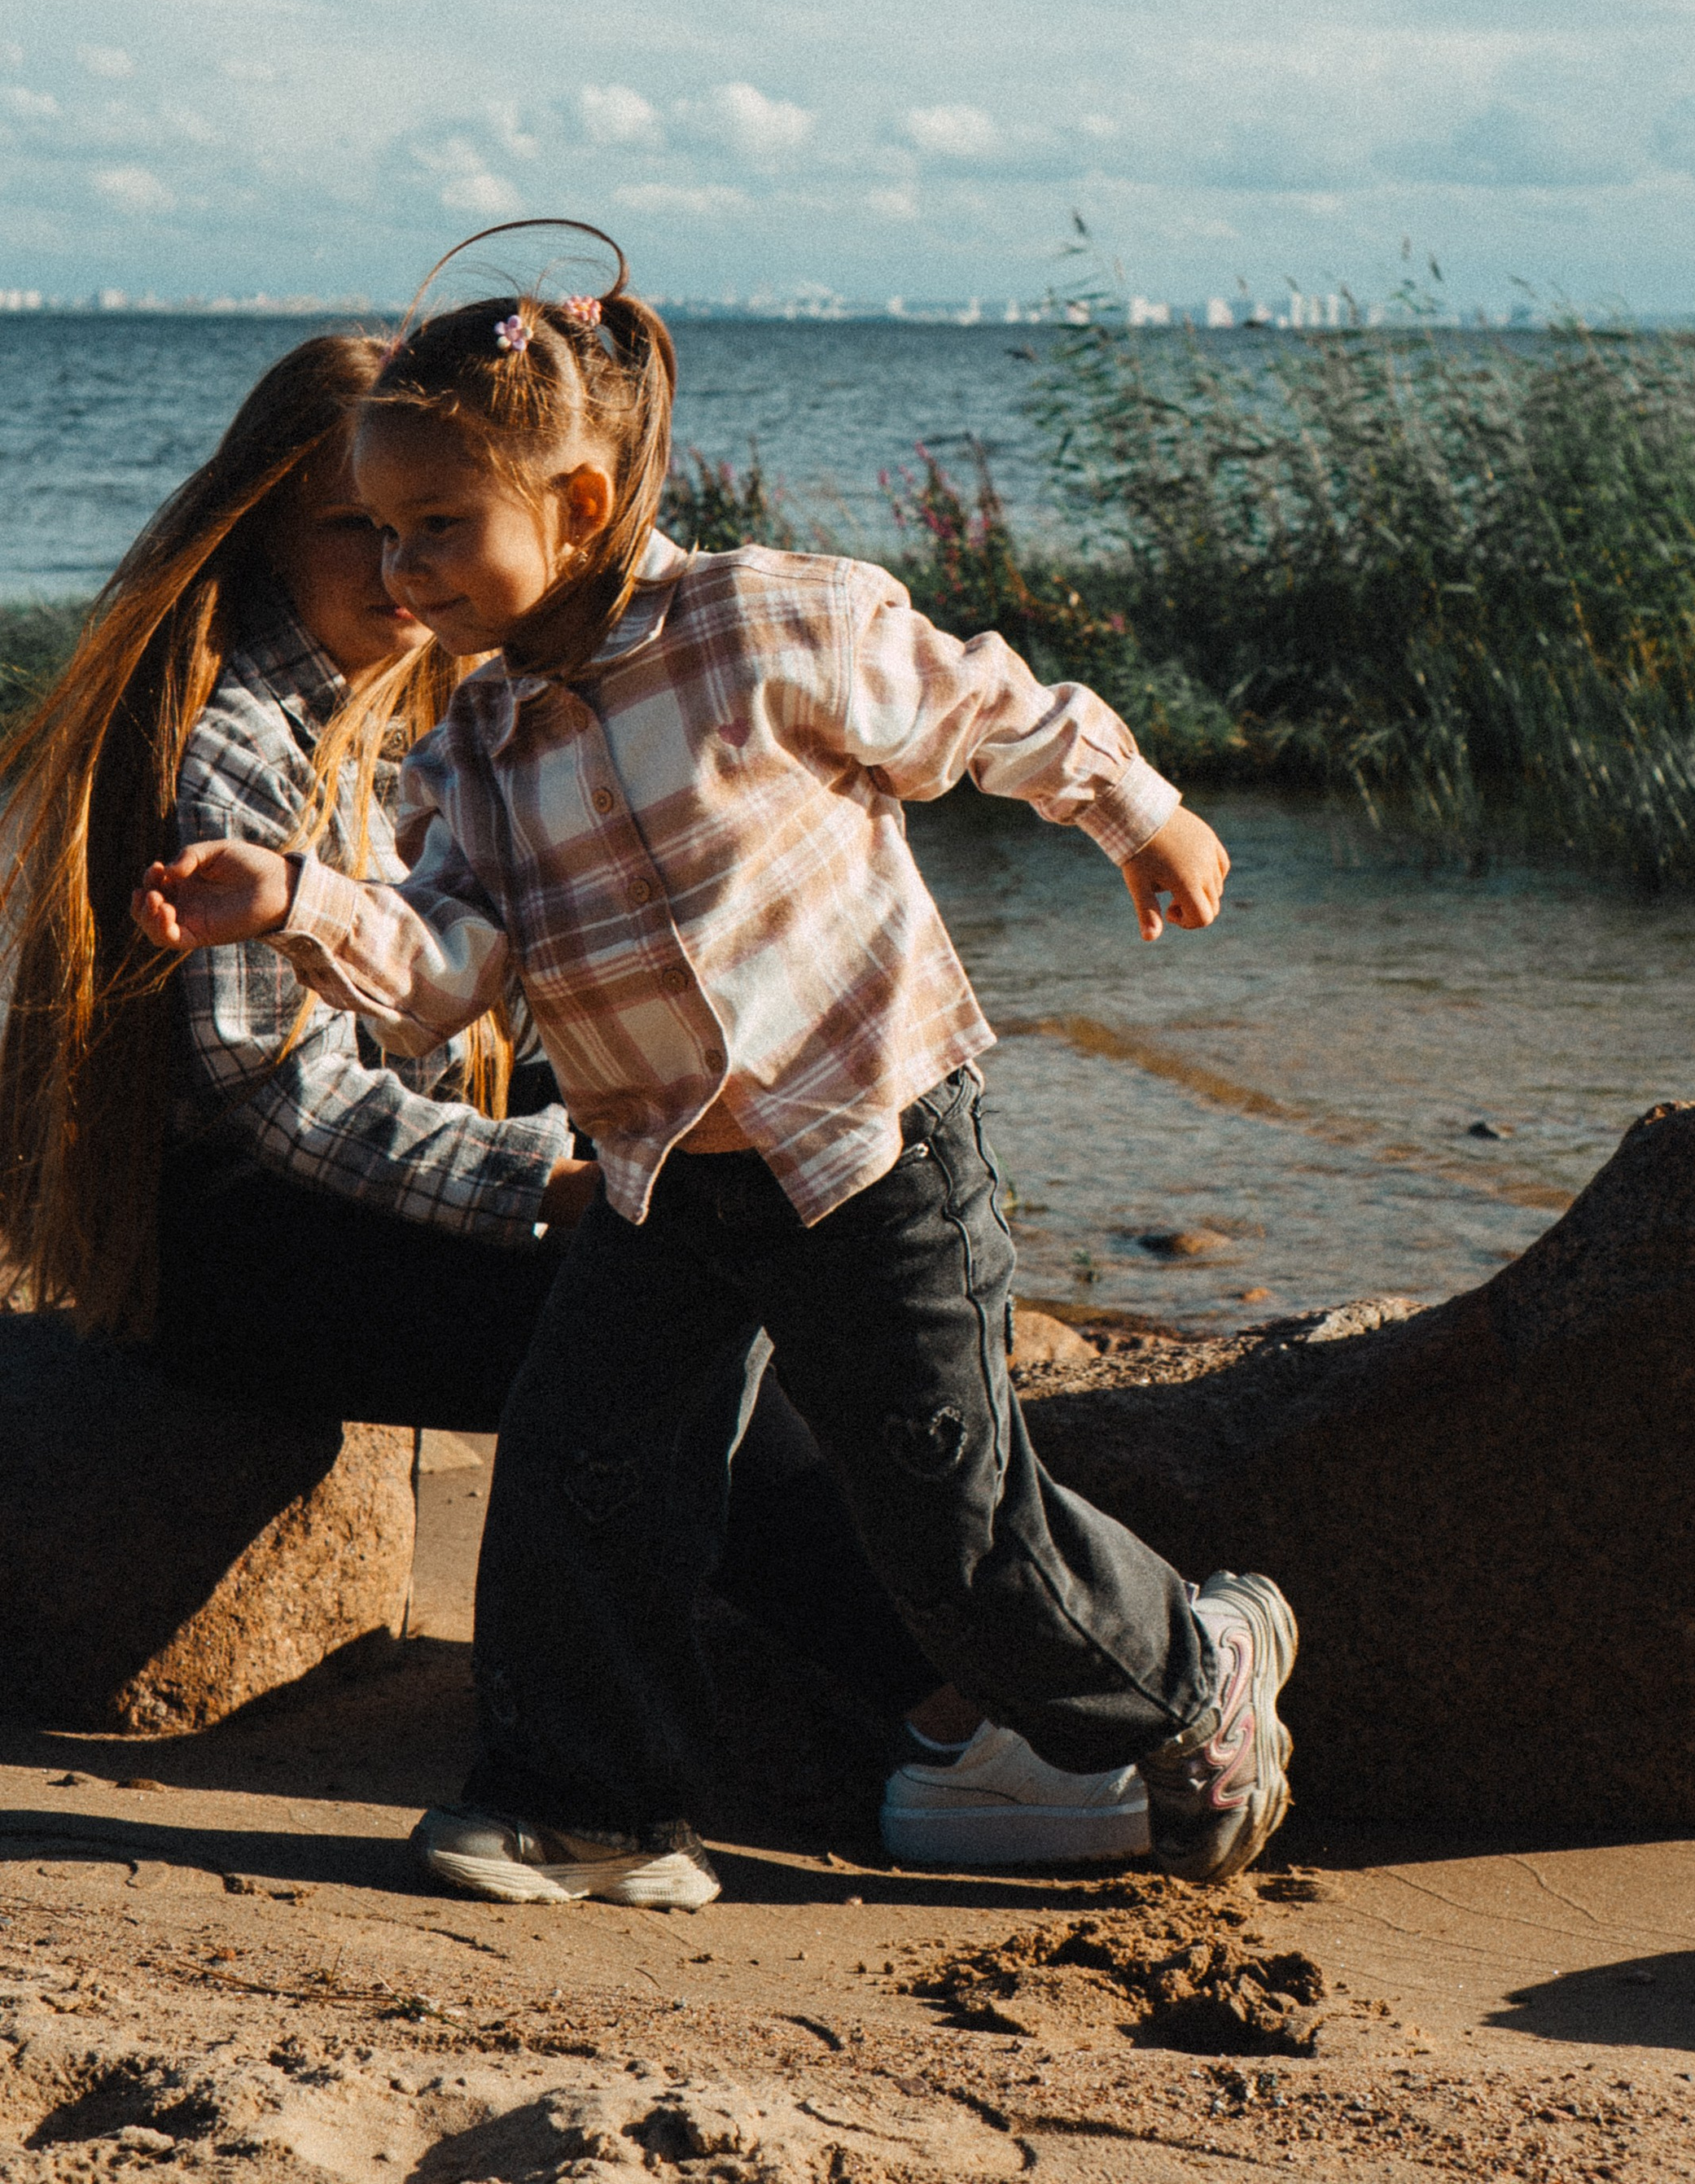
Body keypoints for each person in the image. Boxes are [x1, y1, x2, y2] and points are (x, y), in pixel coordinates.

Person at [135, 224, 1298, 1915]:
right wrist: (300, 896)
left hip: (873, 1147)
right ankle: (590, 1804)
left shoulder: (764, 625)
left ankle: (1195, 1677)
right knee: (583, 1462)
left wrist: (1142, 812)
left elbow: (983, 710)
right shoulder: (474, 741)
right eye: (380, 536)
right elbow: (451, 959)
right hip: (660, 1176)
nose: (401, 575)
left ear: (581, 507)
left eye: (437, 531)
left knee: (946, 1521)